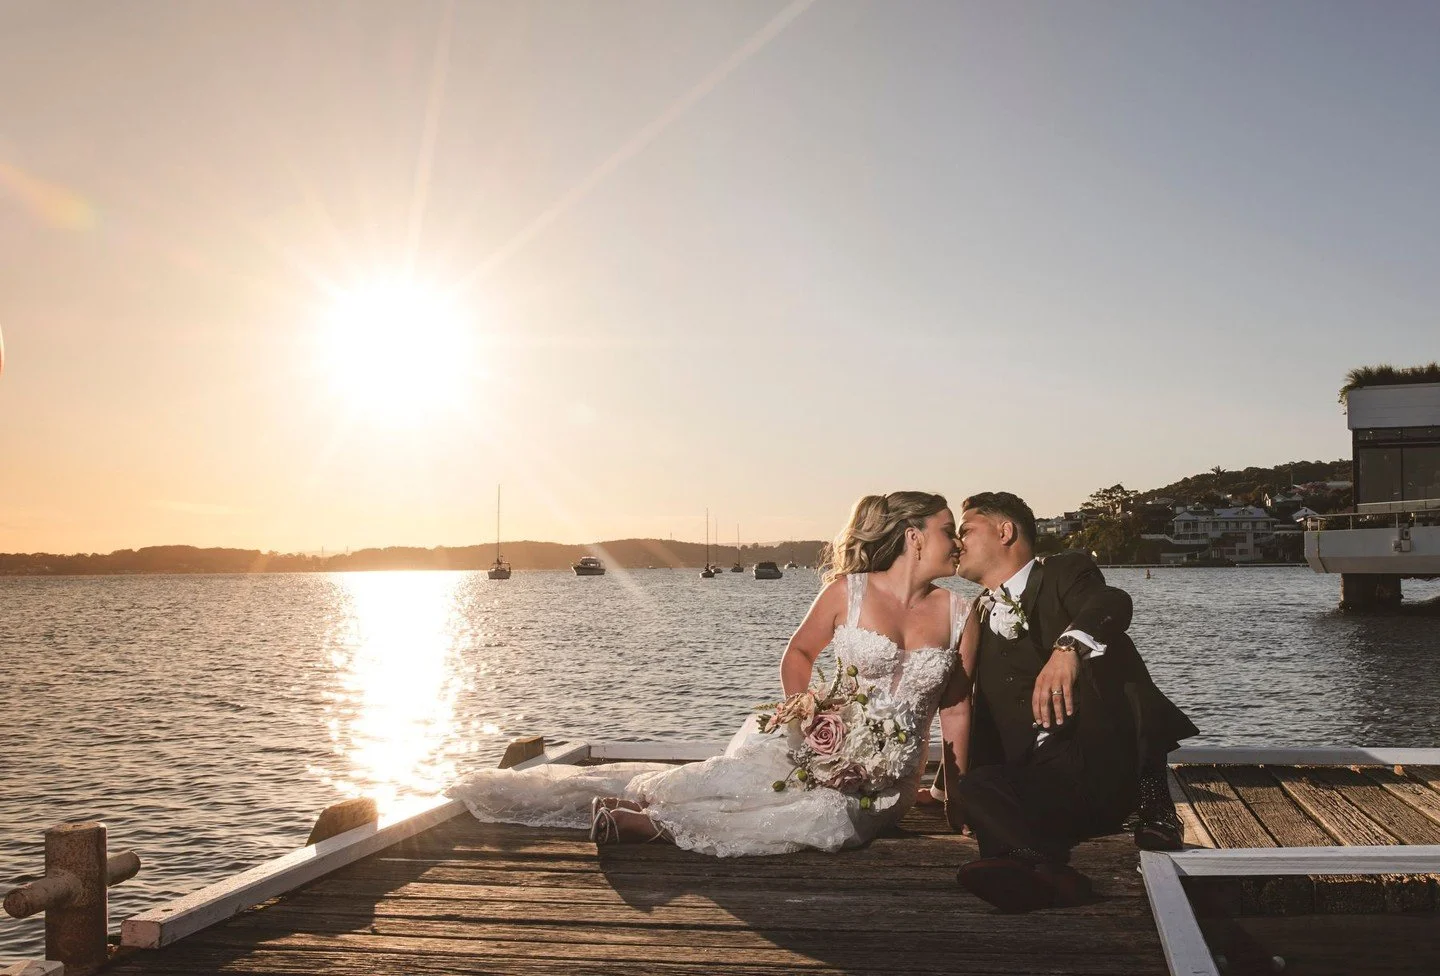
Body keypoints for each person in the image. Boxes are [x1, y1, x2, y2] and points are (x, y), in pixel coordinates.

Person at [446, 491, 978, 857]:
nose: (955, 542)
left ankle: (648, 821)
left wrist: (955, 798)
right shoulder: (849, 590)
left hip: (887, 781)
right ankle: (650, 805)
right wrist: (805, 706)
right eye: (947, 531)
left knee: (830, 821)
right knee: (753, 780)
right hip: (823, 738)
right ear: (913, 536)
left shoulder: (960, 613)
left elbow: (955, 710)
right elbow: (798, 655)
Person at [936, 492, 1197, 912]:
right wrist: (955, 793)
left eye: (965, 530)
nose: (956, 542)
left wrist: (1068, 649)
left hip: (1104, 768)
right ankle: (1045, 874)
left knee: (1113, 647)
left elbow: (1112, 603)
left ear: (1005, 531)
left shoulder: (1063, 571)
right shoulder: (975, 616)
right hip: (1046, 786)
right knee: (976, 784)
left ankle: (1155, 801)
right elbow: (976, 713)